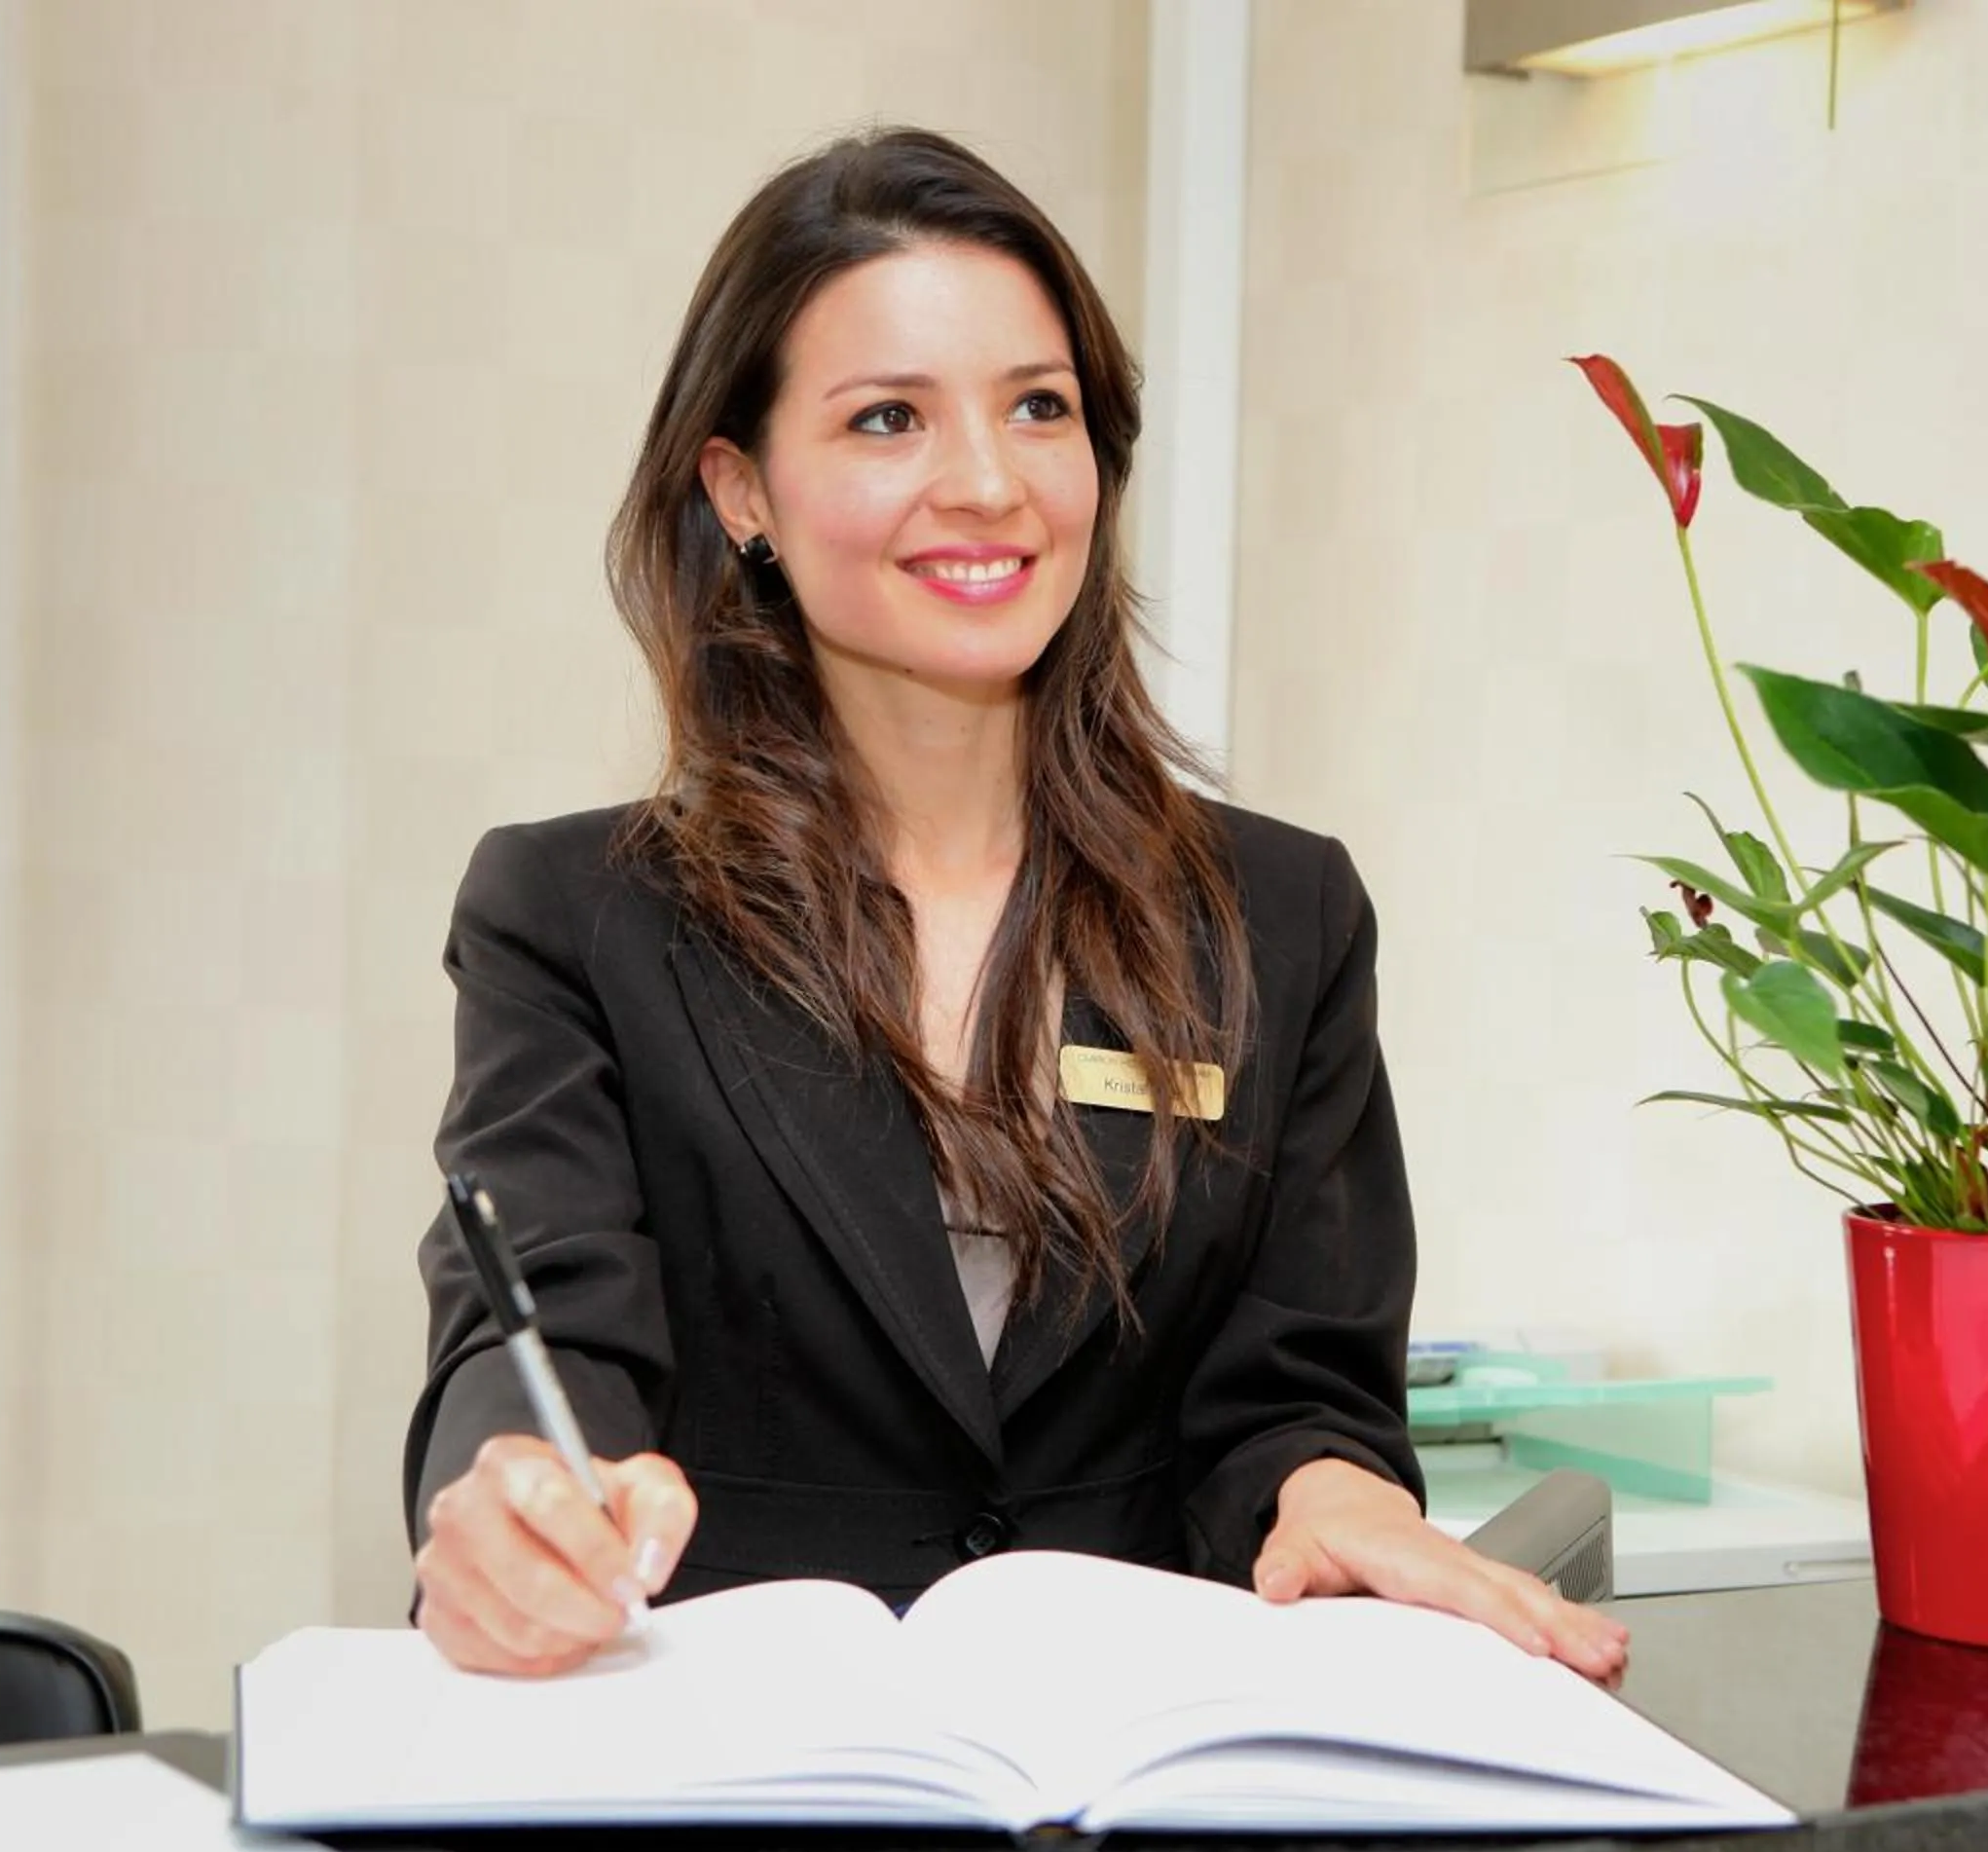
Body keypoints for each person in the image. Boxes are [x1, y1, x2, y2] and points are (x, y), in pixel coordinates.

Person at [400, 127, 1627, 1686]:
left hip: (1146, 1796)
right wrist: (514, 1501)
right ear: (742, 489)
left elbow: (1292, 1396)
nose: (984, 485)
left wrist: (1338, 1497)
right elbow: (543, 1343)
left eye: (1037, 408)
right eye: (887, 418)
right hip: (741, 1800)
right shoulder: (574, 913)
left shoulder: (1282, 913)